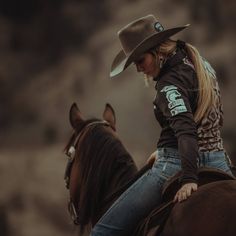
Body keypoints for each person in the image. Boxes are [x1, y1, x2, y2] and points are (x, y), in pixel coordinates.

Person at [91, 14, 233, 236]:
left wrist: (188, 179)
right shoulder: (199, 63)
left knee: (101, 232)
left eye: (140, 61)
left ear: (157, 50)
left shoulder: (169, 85)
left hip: (176, 165)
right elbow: (207, 119)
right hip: (218, 161)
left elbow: (186, 131)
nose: (139, 69)